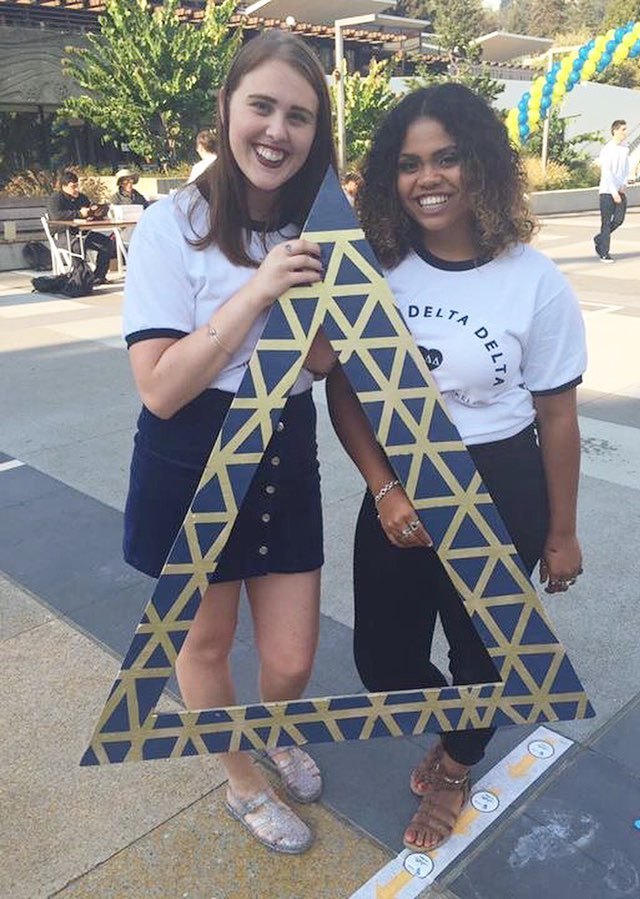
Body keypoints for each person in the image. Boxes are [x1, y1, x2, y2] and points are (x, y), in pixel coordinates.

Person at [326, 83, 586, 852]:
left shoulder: (533, 279)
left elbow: (557, 416)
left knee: (479, 649)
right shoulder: (377, 271)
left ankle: (457, 762)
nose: (426, 178)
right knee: (383, 659)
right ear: (389, 177)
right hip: (400, 482)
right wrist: (382, 486)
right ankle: (461, 720)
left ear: (480, 164)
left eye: (445, 158)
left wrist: (562, 532)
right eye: (408, 164)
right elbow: (343, 390)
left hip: (501, 481)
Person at [122, 31, 337, 855]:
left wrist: (337, 308)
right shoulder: (167, 225)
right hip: (192, 452)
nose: (277, 131)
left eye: (299, 116)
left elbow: (321, 363)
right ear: (226, 108)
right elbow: (159, 386)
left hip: (283, 445)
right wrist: (256, 294)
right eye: (262, 107)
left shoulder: (314, 228)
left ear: (316, 132)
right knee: (204, 644)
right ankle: (241, 781)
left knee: (291, 655)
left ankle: (274, 728)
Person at [47, 170, 114, 284]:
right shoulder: (56, 198)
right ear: (64, 186)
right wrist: (79, 213)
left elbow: (90, 210)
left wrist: (98, 213)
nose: (76, 189)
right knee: (78, 247)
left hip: (83, 232)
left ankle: (99, 276)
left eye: (77, 186)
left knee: (107, 243)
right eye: (73, 186)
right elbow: (56, 216)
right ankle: (80, 278)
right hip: (63, 233)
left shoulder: (81, 197)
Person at [593, 119, 629, 263]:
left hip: (620, 190)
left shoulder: (625, 149)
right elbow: (607, 172)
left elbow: (626, 168)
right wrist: (613, 192)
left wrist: (624, 183)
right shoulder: (607, 150)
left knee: (619, 220)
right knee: (606, 223)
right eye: (623, 129)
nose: (625, 132)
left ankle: (599, 238)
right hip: (607, 191)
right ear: (615, 131)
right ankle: (604, 253)